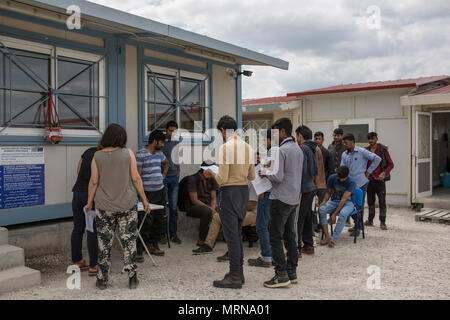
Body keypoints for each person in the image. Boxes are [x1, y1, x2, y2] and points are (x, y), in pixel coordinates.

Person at [84, 123, 151, 290]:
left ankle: (102, 279)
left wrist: (89, 201)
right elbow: (136, 178)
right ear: (122, 138)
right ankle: (132, 277)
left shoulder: (97, 156)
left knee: (104, 243)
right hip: (127, 205)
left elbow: (93, 181)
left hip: (104, 206)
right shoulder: (128, 154)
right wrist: (144, 199)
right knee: (129, 242)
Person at [205, 115, 255, 289]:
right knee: (237, 235)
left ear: (223, 130)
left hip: (230, 193)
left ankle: (234, 275)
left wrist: (211, 173)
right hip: (243, 192)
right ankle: (238, 273)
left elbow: (222, 178)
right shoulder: (248, 146)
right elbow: (252, 176)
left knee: (232, 237)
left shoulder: (225, 148)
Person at [260, 118, 303, 288]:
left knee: (275, 236)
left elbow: (277, 177)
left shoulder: (280, 150)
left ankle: (281, 274)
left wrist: (265, 172)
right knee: (290, 235)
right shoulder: (298, 149)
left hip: (280, 198)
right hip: (294, 197)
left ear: (283, 132)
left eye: (276, 132)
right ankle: (292, 271)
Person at [193, 183, 258, 257]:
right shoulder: (237, 182)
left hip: (252, 214)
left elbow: (251, 205)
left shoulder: (251, 184)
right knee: (217, 216)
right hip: (238, 211)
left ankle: (234, 251)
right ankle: (208, 245)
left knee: (231, 218)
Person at [136, 130, 169, 259]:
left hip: (160, 191)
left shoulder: (160, 154)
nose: (163, 145)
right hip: (147, 193)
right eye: (161, 142)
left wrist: (164, 174)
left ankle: (152, 244)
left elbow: (166, 163)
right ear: (155, 141)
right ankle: (139, 249)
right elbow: (137, 176)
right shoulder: (140, 154)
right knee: (145, 221)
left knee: (158, 220)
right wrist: (140, 194)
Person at [341, 133, 381, 237]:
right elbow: (342, 168)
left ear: (352, 142)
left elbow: (377, 159)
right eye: (343, 143)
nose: (344, 144)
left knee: (359, 205)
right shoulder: (344, 154)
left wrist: (368, 172)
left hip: (361, 183)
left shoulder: (362, 151)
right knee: (350, 205)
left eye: (346, 142)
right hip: (349, 184)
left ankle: (358, 227)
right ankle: (357, 224)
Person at [71, 144, 99, 277]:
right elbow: (96, 180)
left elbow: (78, 169)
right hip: (90, 196)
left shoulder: (88, 151)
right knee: (91, 229)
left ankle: (77, 260)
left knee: (78, 228)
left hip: (77, 192)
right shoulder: (102, 155)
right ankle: (94, 265)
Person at [248, 131, 273, 268]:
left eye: (264, 140)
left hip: (266, 193)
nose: (263, 143)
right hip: (270, 193)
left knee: (261, 226)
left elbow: (269, 175)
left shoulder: (273, 154)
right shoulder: (271, 154)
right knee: (267, 226)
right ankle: (271, 254)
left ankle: (266, 256)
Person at [318, 166, 357, 247]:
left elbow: (343, 199)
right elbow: (328, 192)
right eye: (338, 178)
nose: (340, 180)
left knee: (343, 213)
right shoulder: (332, 178)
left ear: (347, 176)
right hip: (334, 201)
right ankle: (326, 237)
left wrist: (334, 214)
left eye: (342, 179)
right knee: (322, 209)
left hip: (348, 203)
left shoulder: (351, 182)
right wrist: (324, 201)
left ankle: (333, 238)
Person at [295, 125, 319, 256]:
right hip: (311, 187)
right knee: (308, 217)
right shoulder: (314, 148)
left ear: (300, 135)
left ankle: (297, 248)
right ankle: (308, 245)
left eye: (297, 136)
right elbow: (315, 170)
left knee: (298, 218)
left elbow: (301, 170)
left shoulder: (303, 148)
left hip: (303, 188)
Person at [364, 132, 394, 230]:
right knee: (370, 201)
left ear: (376, 139)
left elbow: (391, 164)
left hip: (380, 180)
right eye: (369, 139)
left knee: (382, 202)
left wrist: (384, 173)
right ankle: (370, 219)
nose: (371, 141)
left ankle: (382, 221)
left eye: (372, 139)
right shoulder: (366, 150)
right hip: (369, 180)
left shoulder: (382, 150)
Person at [185, 163, 219, 248]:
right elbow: (194, 200)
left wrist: (213, 207)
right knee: (206, 211)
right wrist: (210, 209)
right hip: (194, 206)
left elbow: (213, 197)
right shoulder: (192, 179)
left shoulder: (211, 179)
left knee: (223, 210)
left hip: (209, 205)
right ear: (205, 170)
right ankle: (202, 238)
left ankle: (215, 236)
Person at [161, 121, 182, 244]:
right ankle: (163, 234)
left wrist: (178, 170)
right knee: (163, 207)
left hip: (174, 177)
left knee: (174, 207)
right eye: (170, 130)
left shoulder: (177, 142)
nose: (172, 133)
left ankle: (173, 234)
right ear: (166, 130)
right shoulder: (161, 142)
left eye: (174, 131)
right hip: (163, 178)